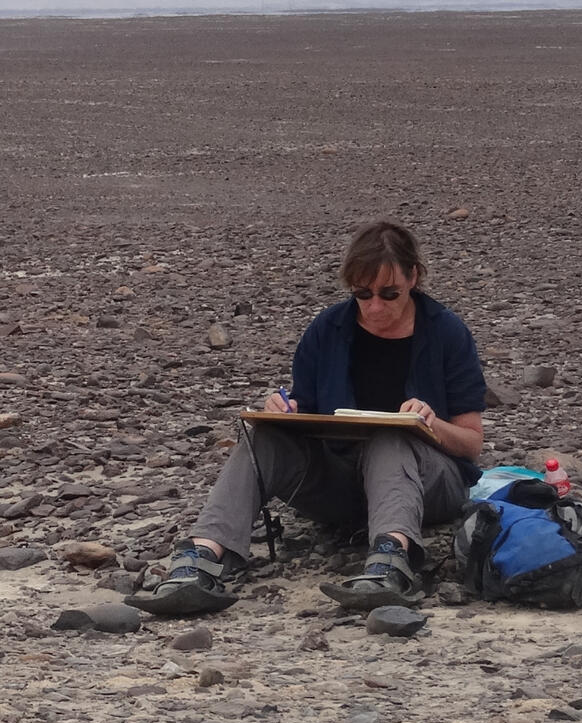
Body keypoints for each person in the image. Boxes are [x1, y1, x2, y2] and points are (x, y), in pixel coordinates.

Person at [134, 218, 486, 616]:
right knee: (262, 437)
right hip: (340, 485)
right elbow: (304, 413)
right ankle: (200, 560)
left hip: (426, 486)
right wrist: (282, 412)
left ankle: (392, 560)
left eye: (389, 294)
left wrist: (429, 425)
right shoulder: (327, 329)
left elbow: (472, 445)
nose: (374, 307)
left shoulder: (447, 333)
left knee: (390, 436)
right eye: (362, 294)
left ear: (414, 278)